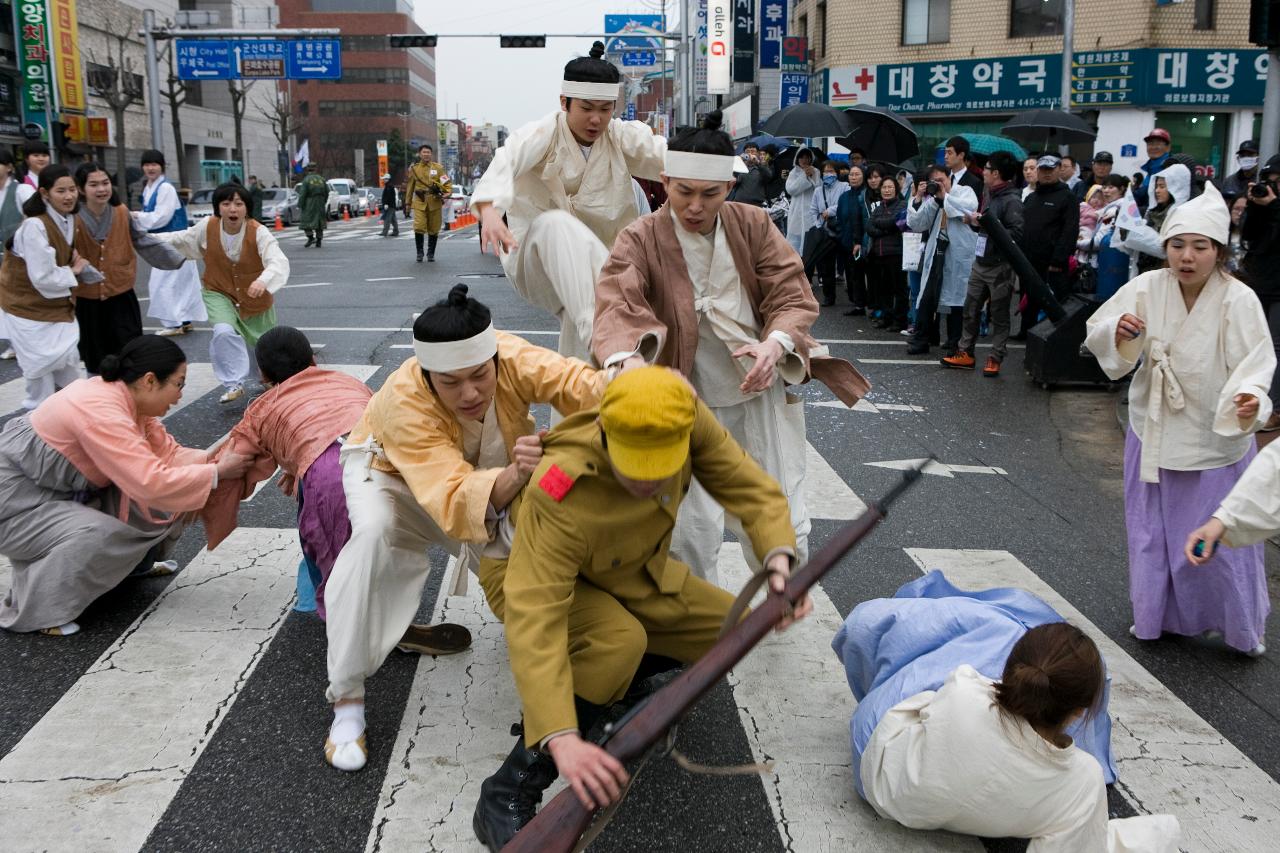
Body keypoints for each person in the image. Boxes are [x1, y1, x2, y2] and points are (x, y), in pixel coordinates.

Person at [470, 366, 813, 851]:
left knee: (735, 626)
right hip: (522, 575)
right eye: (635, 466)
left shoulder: (685, 416)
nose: (650, 481)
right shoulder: (561, 484)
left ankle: (611, 692)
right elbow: (536, 613)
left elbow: (749, 488)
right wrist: (561, 737)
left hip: (625, 571)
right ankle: (508, 788)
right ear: (606, 433)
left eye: (662, 467)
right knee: (617, 640)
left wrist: (779, 564)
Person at [322, 285, 609, 773]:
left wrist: (639, 387)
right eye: (451, 384)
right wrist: (517, 476)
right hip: (390, 477)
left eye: (480, 376)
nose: (471, 393)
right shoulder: (404, 402)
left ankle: (565, 657)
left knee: (528, 557)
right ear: (427, 375)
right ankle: (347, 701)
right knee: (373, 543)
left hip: (484, 473)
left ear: (494, 357)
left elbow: (579, 383)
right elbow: (451, 496)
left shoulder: (510, 355)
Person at [592, 113, 868, 583]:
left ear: (729, 187)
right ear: (666, 182)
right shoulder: (639, 236)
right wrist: (632, 362)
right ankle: (697, 623)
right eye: (684, 192)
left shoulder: (753, 223)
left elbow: (790, 291)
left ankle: (780, 596)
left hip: (753, 389)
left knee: (776, 508)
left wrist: (775, 343)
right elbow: (617, 300)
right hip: (685, 397)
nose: (695, 206)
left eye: (710, 193)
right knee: (688, 527)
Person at [837, 588, 1181, 853]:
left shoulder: (965, 691)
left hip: (874, 776)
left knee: (980, 636)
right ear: (1079, 712)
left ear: (1012, 673)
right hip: (914, 797)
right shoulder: (1082, 781)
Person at [1084, 183, 1274, 657]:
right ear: (1164, 247)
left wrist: (1250, 398)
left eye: (1200, 247)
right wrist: (1120, 331)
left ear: (1219, 251)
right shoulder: (1149, 287)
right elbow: (1100, 331)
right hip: (1155, 427)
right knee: (1151, 534)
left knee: (1221, 540)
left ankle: (1238, 626)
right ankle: (1156, 617)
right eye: (1176, 245)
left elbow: (1256, 363)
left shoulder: (1239, 299)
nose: (1187, 257)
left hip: (1214, 436)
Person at [0, 336, 251, 635]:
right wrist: (217, 473)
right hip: (17, 503)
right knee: (97, 532)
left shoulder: (127, 399)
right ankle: (41, 612)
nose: (180, 395)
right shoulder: (100, 410)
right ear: (149, 381)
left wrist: (217, 460)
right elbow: (152, 482)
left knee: (168, 502)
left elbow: (168, 456)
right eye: (178, 384)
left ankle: (133, 569)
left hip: (62, 493)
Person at [471, 41, 666, 361]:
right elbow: (509, 158)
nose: (596, 119)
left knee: (586, 329)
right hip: (537, 258)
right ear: (565, 102)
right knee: (557, 226)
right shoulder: (542, 133)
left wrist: (708, 165)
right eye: (587, 108)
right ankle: (614, 347)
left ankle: (598, 387)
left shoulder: (618, 136)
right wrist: (489, 210)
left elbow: (657, 151)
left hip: (600, 268)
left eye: (605, 110)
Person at [200, 326, 374, 620]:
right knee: (385, 539)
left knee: (327, 543)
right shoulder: (348, 382)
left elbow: (234, 460)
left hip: (328, 476)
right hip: (384, 459)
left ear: (264, 376)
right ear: (314, 361)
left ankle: (343, 617)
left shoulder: (264, 408)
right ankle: (387, 609)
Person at [154, 182, 290, 403]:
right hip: (218, 291)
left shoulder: (258, 231)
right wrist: (150, 239)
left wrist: (262, 281)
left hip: (254, 296)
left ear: (247, 207)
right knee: (223, 331)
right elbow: (182, 239)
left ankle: (268, 379)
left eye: (238, 203)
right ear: (218, 207)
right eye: (226, 204)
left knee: (262, 344)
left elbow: (277, 261)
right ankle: (233, 382)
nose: (232, 209)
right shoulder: (207, 227)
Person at [0, 165, 99, 409]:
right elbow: (43, 278)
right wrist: (74, 271)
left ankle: (70, 423)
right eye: (61, 191)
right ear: (45, 193)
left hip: (55, 308)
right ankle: (37, 433)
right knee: (39, 379)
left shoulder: (68, 218)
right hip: (27, 310)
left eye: (72, 190)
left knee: (70, 370)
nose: (69, 196)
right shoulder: (35, 225)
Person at [72, 162, 185, 375]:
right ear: (80, 189)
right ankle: (99, 400)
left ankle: (127, 399)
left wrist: (174, 257)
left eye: (105, 183)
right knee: (95, 357)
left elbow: (141, 239)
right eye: (93, 184)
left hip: (121, 294)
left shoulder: (121, 212)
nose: (101, 189)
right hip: (87, 298)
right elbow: (63, 250)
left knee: (129, 353)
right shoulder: (72, 217)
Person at [943, 150, 1024, 376]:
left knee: (999, 314)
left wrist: (987, 224)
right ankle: (965, 352)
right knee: (970, 309)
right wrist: (973, 221)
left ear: (996, 173)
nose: (983, 172)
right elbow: (982, 224)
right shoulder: (989, 193)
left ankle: (995, 356)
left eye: (987, 169)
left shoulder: (1012, 200)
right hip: (980, 261)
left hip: (1000, 266)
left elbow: (1016, 233)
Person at [132, 149, 205, 338]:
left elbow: (160, 218)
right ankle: (184, 320)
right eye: (147, 164)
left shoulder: (165, 188)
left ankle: (174, 323)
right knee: (180, 283)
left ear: (162, 167)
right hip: (171, 242)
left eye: (154, 164)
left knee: (162, 284)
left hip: (172, 241)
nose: (150, 168)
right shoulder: (150, 187)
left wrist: (137, 216)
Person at [907, 165, 978, 357]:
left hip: (958, 255)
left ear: (949, 177)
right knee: (928, 296)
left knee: (957, 299)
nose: (938, 184)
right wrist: (919, 197)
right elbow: (916, 223)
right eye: (934, 181)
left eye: (941, 180)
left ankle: (955, 342)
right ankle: (922, 340)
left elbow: (967, 209)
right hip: (936, 252)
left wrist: (943, 197)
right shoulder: (934, 200)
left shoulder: (964, 192)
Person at [1017, 154, 1080, 337]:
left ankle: (1060, 337)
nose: (1046, 174)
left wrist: (1059, 260)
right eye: (1043, 169)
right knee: (1028, 300)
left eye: (1050, 169)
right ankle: (1025, 331)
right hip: (1028, 260)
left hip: (1053, 263)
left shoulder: (1067, 197)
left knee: (1055, 302)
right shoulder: (1031, 198)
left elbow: (1069, 231)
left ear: (1059, 169)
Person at [1241, 154, 1280, 430]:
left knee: (1276, 347)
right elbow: (1248, 234)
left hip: (1279, 288)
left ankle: (1275, 408)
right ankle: (1254, 399)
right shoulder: (1264, 206)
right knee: (1255, 344)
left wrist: (1276, 205)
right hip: (1259, 282)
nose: (1271, 188)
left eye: (1278, 183)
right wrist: (1256, 207)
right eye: (1269, 182)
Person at [1120, 163, 1192, 276]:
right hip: (1143, 271)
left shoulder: (1182, 215)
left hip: (1165, 273)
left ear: (1175, 188)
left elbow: (1170, 250)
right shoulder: (1151, 213)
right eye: (1156, 186)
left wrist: (1138, 235)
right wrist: (1125, 231)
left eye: (1162, 187)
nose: (1157, 191)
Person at [0, 148, 34, 362]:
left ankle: (25, 343)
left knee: (19, 299)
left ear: (10, 167)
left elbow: (34, 217)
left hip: (17, 256)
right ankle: (13, 342)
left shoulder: (21, 190)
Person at [865, 173, 908, 332]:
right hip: (879, 254)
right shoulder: (878, 207)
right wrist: (885, 228)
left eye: (890, 187)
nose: (887, 190)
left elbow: (896, 223)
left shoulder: (902, 204)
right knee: (884, 289)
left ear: (896, 189)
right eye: (884, 187)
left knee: (900, 289)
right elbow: (869, 227)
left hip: (896, 253)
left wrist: (880, 224)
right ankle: (886, 317)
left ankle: (900, 320)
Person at [809, 159, 849, 306]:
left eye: (831, 171)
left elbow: (845, 204)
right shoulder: (818, 190)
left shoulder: (845, 186)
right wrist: (818, 225)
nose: (828, 174)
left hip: (842, 230)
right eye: (825, 171)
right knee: (826, 266)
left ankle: (853, 296)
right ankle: (828, 296)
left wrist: (829, 211)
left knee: (847, 264)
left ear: (837, 172)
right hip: (825, 232)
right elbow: (813, 210)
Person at [404, 143, 452, 262]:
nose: (426, 154)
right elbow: (410, 187)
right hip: (420, 201)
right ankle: (419, 253)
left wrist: (448, 192)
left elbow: (446, 182)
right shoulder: (414, 169)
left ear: (431, 154)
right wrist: (407, 204)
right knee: (419, 226)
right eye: (424, 152)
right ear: (420, 154)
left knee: (434, 228)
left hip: (434, 201)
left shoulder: (438, 168)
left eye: (428, 152)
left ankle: (431, 254)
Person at [836, 163, 870, 316]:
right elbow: (839, 217)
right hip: (847, 241)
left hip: (866, 241)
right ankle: (858, 304)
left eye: (857, 174)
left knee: (866, 274)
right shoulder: (844, 196)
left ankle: (869, 304)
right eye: (851, 174)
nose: (853, 177)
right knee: (852, 275)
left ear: (863, 177)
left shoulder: (867, 194)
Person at [784, 146, 821, 255]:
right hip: (796, 213)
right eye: (802, 157)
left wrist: (812, 176)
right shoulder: (793, 173)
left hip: (810, 211)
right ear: (797, 159)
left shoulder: (816, 171)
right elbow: (791, 190)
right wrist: (804, 176)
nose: (804, 160)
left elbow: (818, 189)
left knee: (810, 239)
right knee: (795, 240)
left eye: (807, 157)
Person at [1134, 128, 1172, 212]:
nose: (1153, 147)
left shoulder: (1170, 169)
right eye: (1150, 144)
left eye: (1158, 143)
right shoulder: (1150, 169)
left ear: (1168, 147)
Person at [296, 163, 328, 248]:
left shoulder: (306, 180)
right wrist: (323, 201)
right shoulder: (322, 179)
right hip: (320, 202)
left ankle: (310, 237)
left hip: (309, 202)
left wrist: (300, 204)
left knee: (306, 220)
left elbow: (303, 193)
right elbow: (327, 192)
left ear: (308, 169)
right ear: (315, 169)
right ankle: (319, 240)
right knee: (319, 221)